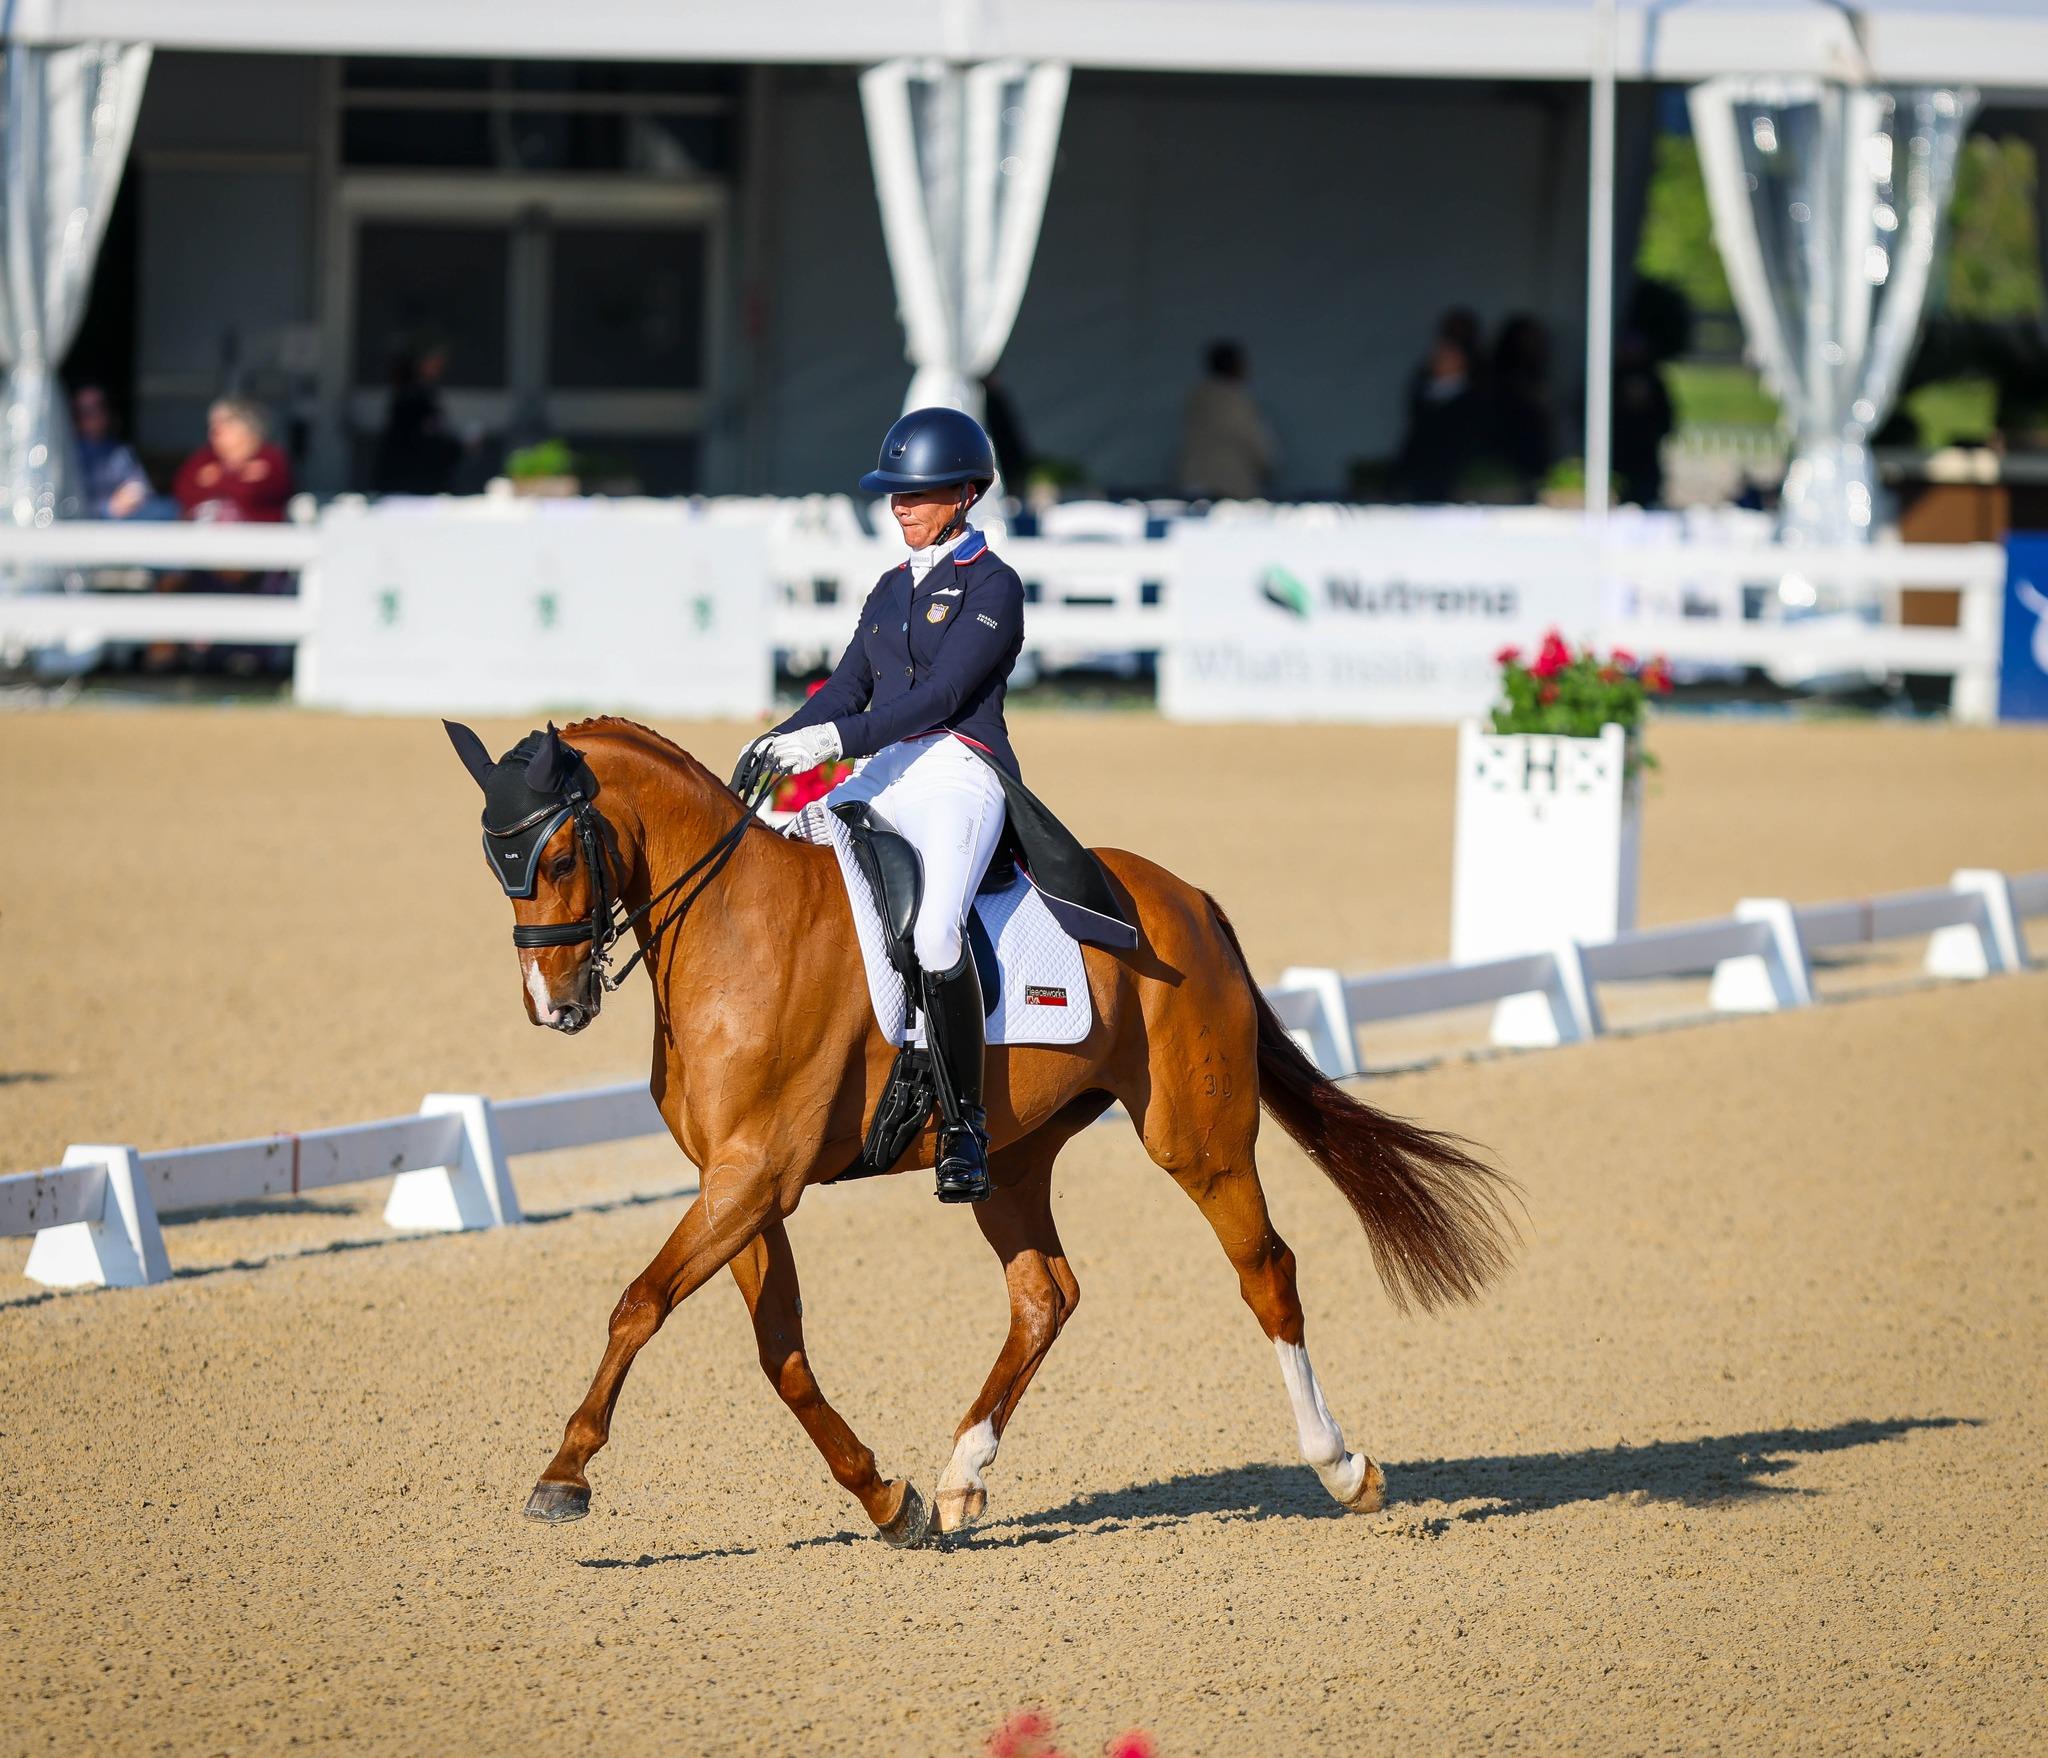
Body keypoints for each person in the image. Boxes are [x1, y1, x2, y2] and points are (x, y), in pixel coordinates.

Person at [732, 407, 1135, 1204]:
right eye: (894, 495)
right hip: (890, 769)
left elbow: (945, 696)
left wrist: (835, 742)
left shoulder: (995, 586)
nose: (900, 508)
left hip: (960, 771)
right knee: (781, 856)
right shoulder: (888, 588)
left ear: (962, 493)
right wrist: (781, 740)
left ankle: (963, 1126)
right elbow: (850, 686)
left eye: (916, 495)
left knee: (937, 926)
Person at [1396, 311, 1489, 502]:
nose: (1441, 359)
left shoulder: (1477, 394)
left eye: (1450, 355)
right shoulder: (1423, 387)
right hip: (1421, 469)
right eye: (1440, 354)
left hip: (1458, 473)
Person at [1176, 340, 1275, 501]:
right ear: (1235, 366)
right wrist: (1269, 465)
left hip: (1193, 483)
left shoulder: (1196, 397)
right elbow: (1253, 439)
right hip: (1227, 487)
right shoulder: (1236, 399)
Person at [173, 397, 293, 523]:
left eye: (225, 422)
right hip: (202, 536)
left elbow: (254, 495)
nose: (216, 429)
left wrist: (218, 479)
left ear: (248, 426)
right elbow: (184, 493)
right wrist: (238, 476)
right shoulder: (203, 458)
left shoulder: (271, 458)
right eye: (213, 423)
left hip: (257, 536)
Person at [374, 345, 464, 495]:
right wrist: (460, 446)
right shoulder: (412, 397)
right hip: (408, 481)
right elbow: (422, 438)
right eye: (434, 362)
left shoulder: (424, 392)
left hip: (414, 480)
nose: (439, 368)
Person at [69, 385, 160, 519]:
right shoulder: (66, 454)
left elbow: (141, 487)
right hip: (79, 526)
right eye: (84, 411)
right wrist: (107, 508)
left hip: (120, 524)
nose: (91, 416)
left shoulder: (119, 452)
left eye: (97, 409)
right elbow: (65, 502)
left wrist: (133, 492)